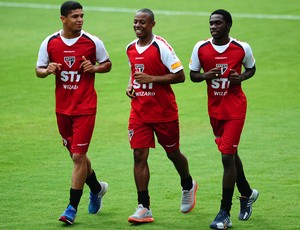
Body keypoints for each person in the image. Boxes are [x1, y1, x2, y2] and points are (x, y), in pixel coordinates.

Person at [35, 1, 112, 225]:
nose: (80, 19)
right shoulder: (49, 43)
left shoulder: (92, 41)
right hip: (62, 109)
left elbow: (107, 63)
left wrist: (94, 67)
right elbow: (38, 69)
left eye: (82, 16)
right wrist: (46, 70)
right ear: (63, 19)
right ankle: (97, 188)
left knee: (78, 157)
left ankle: (71, 208)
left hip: (85, 108)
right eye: (75, 16)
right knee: (76, 156)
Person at [125, 8, 198, 224]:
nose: (138, 26)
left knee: (173, 152)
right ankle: (143, 206)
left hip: (164, 111)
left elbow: (181, 76)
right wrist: (131, 85)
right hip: (139, 111)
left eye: (143, 23)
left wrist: (151, 79)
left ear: (152, 25)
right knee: (139, 155)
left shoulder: (161, 47)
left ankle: (187, 184)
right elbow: (134, 73)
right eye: (135, 22)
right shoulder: (130, 48)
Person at [189, 9, 259, 229]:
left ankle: (224, 213)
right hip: (214, 110)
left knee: (227, 158)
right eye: (211, 23)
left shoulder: (241, 47)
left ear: (228, 25)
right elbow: (192, 75)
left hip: (235, 109)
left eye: (217, 23)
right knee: (230, 152)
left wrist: (241, 77)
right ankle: (247, 193)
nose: (213, 27)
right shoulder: (201, 48)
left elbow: (251, 68)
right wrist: (204, 76)